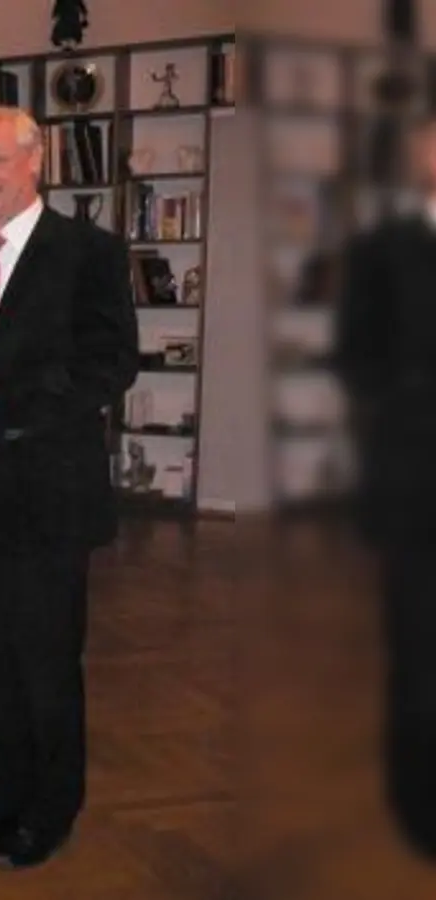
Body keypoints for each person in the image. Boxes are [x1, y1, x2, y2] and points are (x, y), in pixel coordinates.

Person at [0, 106, 138, 869]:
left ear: (34, 161)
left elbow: (108, 364)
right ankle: (5, 797)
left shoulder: (88, 252)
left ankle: (51, 809)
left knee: (44, 663)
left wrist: (2, 413)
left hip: (47, 499)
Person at [335, 114, 436, 861]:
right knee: (420, 648)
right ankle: (420, 808)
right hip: (415, 481)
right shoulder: (381, 251)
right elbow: (357, 360)